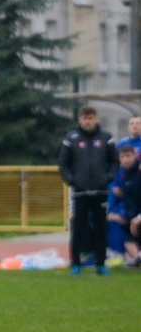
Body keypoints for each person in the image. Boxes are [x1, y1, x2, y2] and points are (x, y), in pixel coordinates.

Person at [58, 106, 119, 275]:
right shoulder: (71, 139)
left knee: (100, 228)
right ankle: (75, 264)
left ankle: (101, 264)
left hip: (100, 192)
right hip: (79, 193)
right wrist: (72, 181)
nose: (88, 121)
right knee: (78, 228)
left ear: (96, 119)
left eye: (91, 118)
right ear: (80, 120)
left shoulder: (106, 138)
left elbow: (115, 161)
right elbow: (63, 164)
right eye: (85, 118)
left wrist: (108, 178)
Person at [107, 146, 141, 266]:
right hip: (131, 216)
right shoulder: (122, 174)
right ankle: (136, 259)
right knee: (128, 242)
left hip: (138, 217)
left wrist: (139, 217)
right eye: (123, 157)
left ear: (134, 156)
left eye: (128, 156)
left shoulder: (139, 171)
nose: (126, 160)